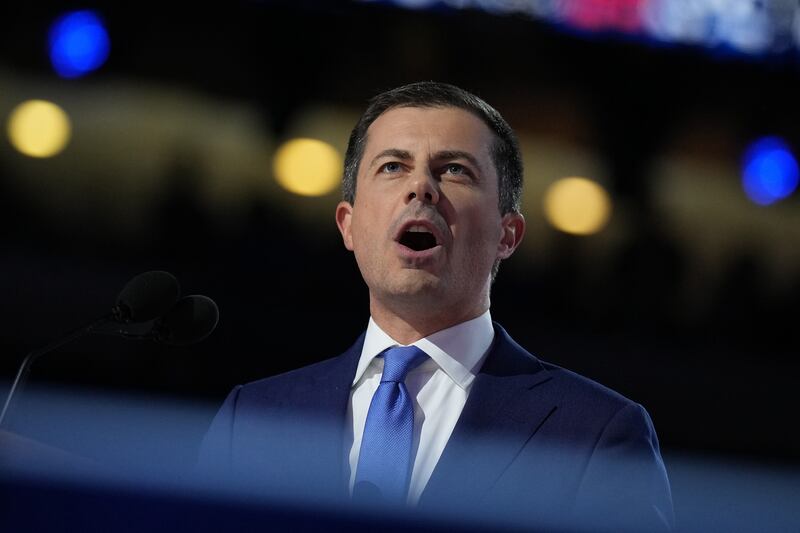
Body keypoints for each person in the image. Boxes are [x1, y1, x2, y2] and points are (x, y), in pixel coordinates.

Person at [200, 82, 674, 531]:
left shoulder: (596, 433)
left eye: (454, 170)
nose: (421, 187)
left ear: (507, 235)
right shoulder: (252, 419)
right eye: (392, 167)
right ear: (348, 224)